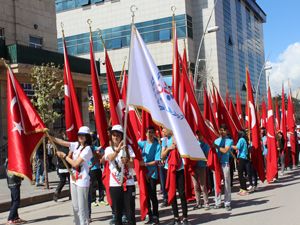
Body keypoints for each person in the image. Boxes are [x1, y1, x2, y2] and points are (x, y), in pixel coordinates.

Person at [52, 126, 93, 225]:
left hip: (82, 180)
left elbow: (75, 164)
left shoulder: (88, 149)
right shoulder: (76, 145)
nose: (80, 137)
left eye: (83, 135)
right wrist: (49, 136)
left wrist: (64, 156)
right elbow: (62, 142)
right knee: (75, 207)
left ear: (87, 137)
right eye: (79, 135)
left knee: (82, 207)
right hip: (73, 178)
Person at [105, 125, 136, 225]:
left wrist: (126, 161)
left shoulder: (128, 148)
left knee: (130, 213)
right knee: (117, 214)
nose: (115, 137)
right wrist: (118, 150)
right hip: (115, 185)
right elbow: (110, 158)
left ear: (121, 136)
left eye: (117, 135)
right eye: (113, 135)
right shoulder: (108, 149)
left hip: (129, 183)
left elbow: (132, 164)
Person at [161, 129, 189, 225]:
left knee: (182, 194)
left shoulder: (178, 137)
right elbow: (162, 156)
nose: (163, 131)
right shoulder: (164, 140)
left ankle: (185, 217)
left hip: (179, 169)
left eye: (164, 129)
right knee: (172, 194)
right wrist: (169, 148)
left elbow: (186, 149)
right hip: (169, 169)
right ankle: (176, 218)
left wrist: (177, 142)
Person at [138, 126, 161, 225]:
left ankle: (156, 216)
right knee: (145, 195)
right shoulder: (143, 143)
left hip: (152, 174)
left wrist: (145, 164)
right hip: (143, 174)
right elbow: (133, 144)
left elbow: (156, 161)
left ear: (154, 133)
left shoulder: (157, 145)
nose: (149, 134)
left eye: (151, 132)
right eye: (148, 132)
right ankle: (149, 215)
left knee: (152, 195)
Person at [213, 124, 233, 211]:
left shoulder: (229, 141)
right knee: (216, 183)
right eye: (221, 130)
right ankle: (218, 202)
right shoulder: (216, 140)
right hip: (217, 164)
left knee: (227, 183)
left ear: (227, 131)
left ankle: (227, 202)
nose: (222, 132)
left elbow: (225, 150)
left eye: (224, 130)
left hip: (225, 164)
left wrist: (216, 146)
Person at [192, 130, 210, 210]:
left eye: (200, 135)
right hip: (193, 167)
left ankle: (206, 202)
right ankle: (198, 202)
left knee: (203, 185)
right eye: (197, 135)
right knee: (195, 186)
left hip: (202, 166)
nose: (198, 137)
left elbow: (207, 156)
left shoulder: (205, 146)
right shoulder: (193, 145)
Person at [5, 159, 26, 225]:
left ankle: (16, 218)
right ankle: (10, 219)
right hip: (14, 183)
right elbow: (17, 173)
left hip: (12, 184)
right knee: (16, 201)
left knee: (14, 201)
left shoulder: (8, 161)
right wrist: (22, 176)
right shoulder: (13, 162)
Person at [53, 130, 71, 202]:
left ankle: (57, 193)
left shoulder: (58, 148)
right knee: (70, 182)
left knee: (62, 181)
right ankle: (70, 195)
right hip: (66, 167)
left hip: (62, 167)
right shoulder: (66, 147)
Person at [232, 130, 249, 196]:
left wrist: (230, 146)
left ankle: (244, 189)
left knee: (241, 174)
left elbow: (237, 147)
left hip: (242, 158)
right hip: (243, 158)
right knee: (240, 174)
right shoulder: (244, 140)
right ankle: (242, 188)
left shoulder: (241, 139)